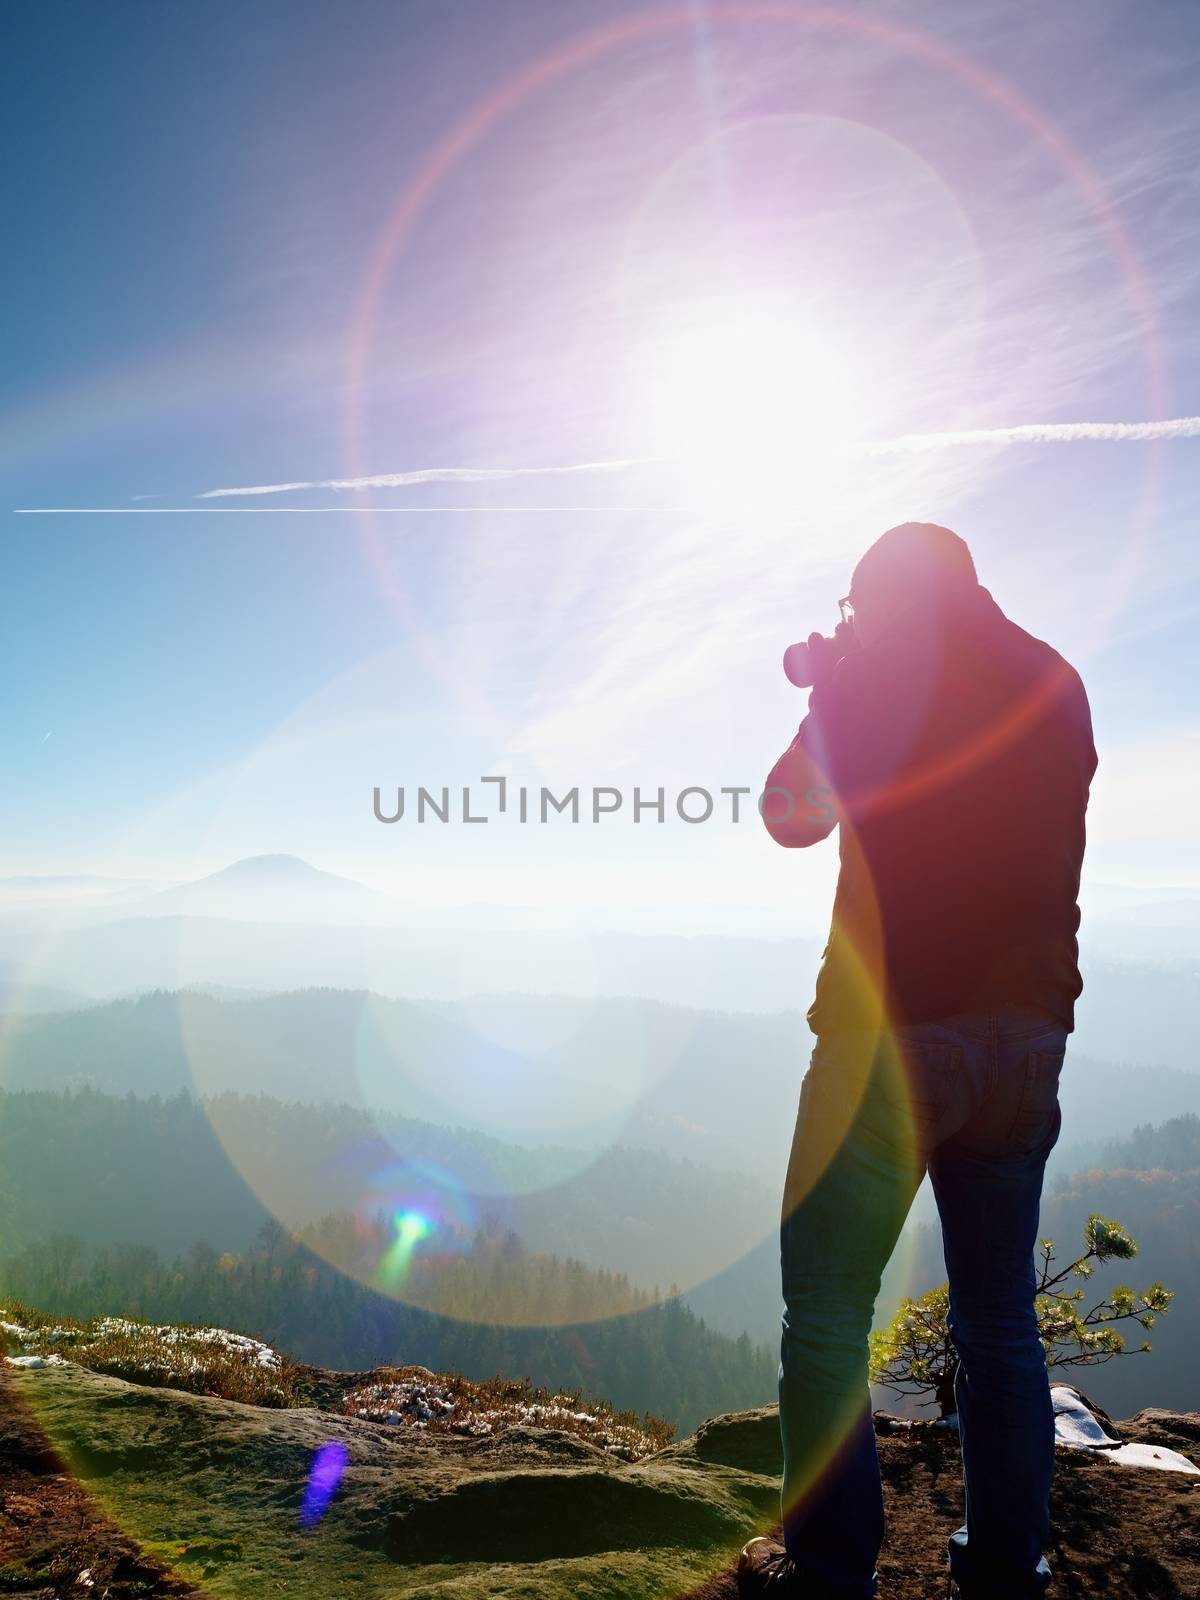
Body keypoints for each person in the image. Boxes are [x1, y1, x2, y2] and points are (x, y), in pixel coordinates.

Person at [737, 523, 1098, 1600]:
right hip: (1026, 1036)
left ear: (888, 598)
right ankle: (1005, 1572)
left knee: (830, 1310)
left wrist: (832, 692)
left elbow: (787, 816)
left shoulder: (875, 676)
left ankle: (835, 1573)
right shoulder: (1056, 678)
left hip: (888, 1038)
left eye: (857, 607)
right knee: (997, 1318)